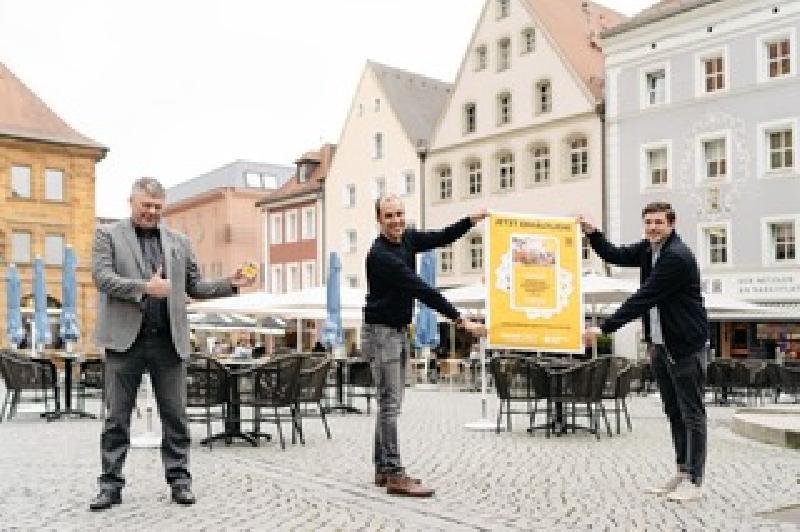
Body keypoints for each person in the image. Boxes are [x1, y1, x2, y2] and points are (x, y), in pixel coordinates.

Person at [89, 177, 255, 511]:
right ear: (131, 202)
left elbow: (194, 286)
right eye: (145, 206)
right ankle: (110, 485)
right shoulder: (107, 235)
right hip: (124, 342)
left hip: (169, 341)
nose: (151, 212)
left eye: (157, 207)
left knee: (176, 417)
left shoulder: (179, 241)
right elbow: (102, 278)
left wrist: (231, 284)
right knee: (116, 419)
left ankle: (179, 481)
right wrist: (144, 288)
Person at [580, 201, 708, 502]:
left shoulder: (676, 256)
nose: (652, 227)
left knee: (693, 413)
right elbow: (616, 254)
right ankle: (681, 470)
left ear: (671, 224)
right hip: (661, 345)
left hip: (684, 344)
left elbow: (644, 297)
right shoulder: (650, 250)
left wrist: (604, 327)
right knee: (673, 411)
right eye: (648, 222)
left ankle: (695, 480)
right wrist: (593, 232)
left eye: (658, 222)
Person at [363, 195, 486, 497]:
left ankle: (383, 469)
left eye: (400, 214)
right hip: (381, 334)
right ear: (378, 219)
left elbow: (440, 236)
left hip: (397, 331)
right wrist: (460, 319)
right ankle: (393, 473)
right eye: (389, 215)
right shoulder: (380, 255)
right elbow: (422, 289)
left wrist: (469, 221)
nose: (396, 221)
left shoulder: (408, 239)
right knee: (390, 405)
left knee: (389, 404)